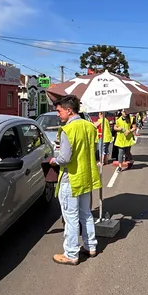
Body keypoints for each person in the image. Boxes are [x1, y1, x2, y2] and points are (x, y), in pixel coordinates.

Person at [48, 95, 101, 265]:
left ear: (69, 110)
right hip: (86, 176)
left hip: (70, 178)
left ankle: (71, 253)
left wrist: (54, 161)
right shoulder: (89, 127)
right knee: (86, 214)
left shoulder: (67, 130)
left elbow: (64, 158)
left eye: (59, 111)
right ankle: (91, 246)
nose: (58, 114)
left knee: (70, 218)